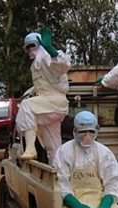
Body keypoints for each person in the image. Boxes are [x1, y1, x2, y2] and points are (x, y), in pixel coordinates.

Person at [16, 28, 71, 162]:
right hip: (48, 105)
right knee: (53, 144)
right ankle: (56, 171)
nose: (30, 50)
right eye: (27, 48)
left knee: (27, 107)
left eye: (32, 46)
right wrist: (31, 91)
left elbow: (64, 66)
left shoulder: (45, 56)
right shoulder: (36, 64)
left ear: (40, 44)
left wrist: (51, 49)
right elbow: (44, 83)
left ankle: (30, 147)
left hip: (53, 101)